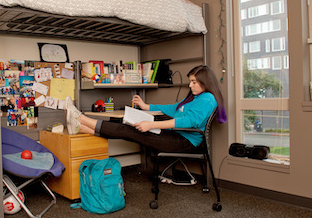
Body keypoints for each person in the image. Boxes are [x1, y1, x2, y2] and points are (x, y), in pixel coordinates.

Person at [65, 65, 227, 153]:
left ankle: (80, 118)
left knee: (132, 131)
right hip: (176, 135)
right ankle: (80, 127)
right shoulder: (196, 97)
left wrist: (152, 125)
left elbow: (189, 121)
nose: (190, 85)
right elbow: (174, 109)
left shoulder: (207, 99)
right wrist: (147, 106)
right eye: (190, 81)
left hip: (185, 142)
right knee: (130, 129)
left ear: (205, 82)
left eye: (194, 82)